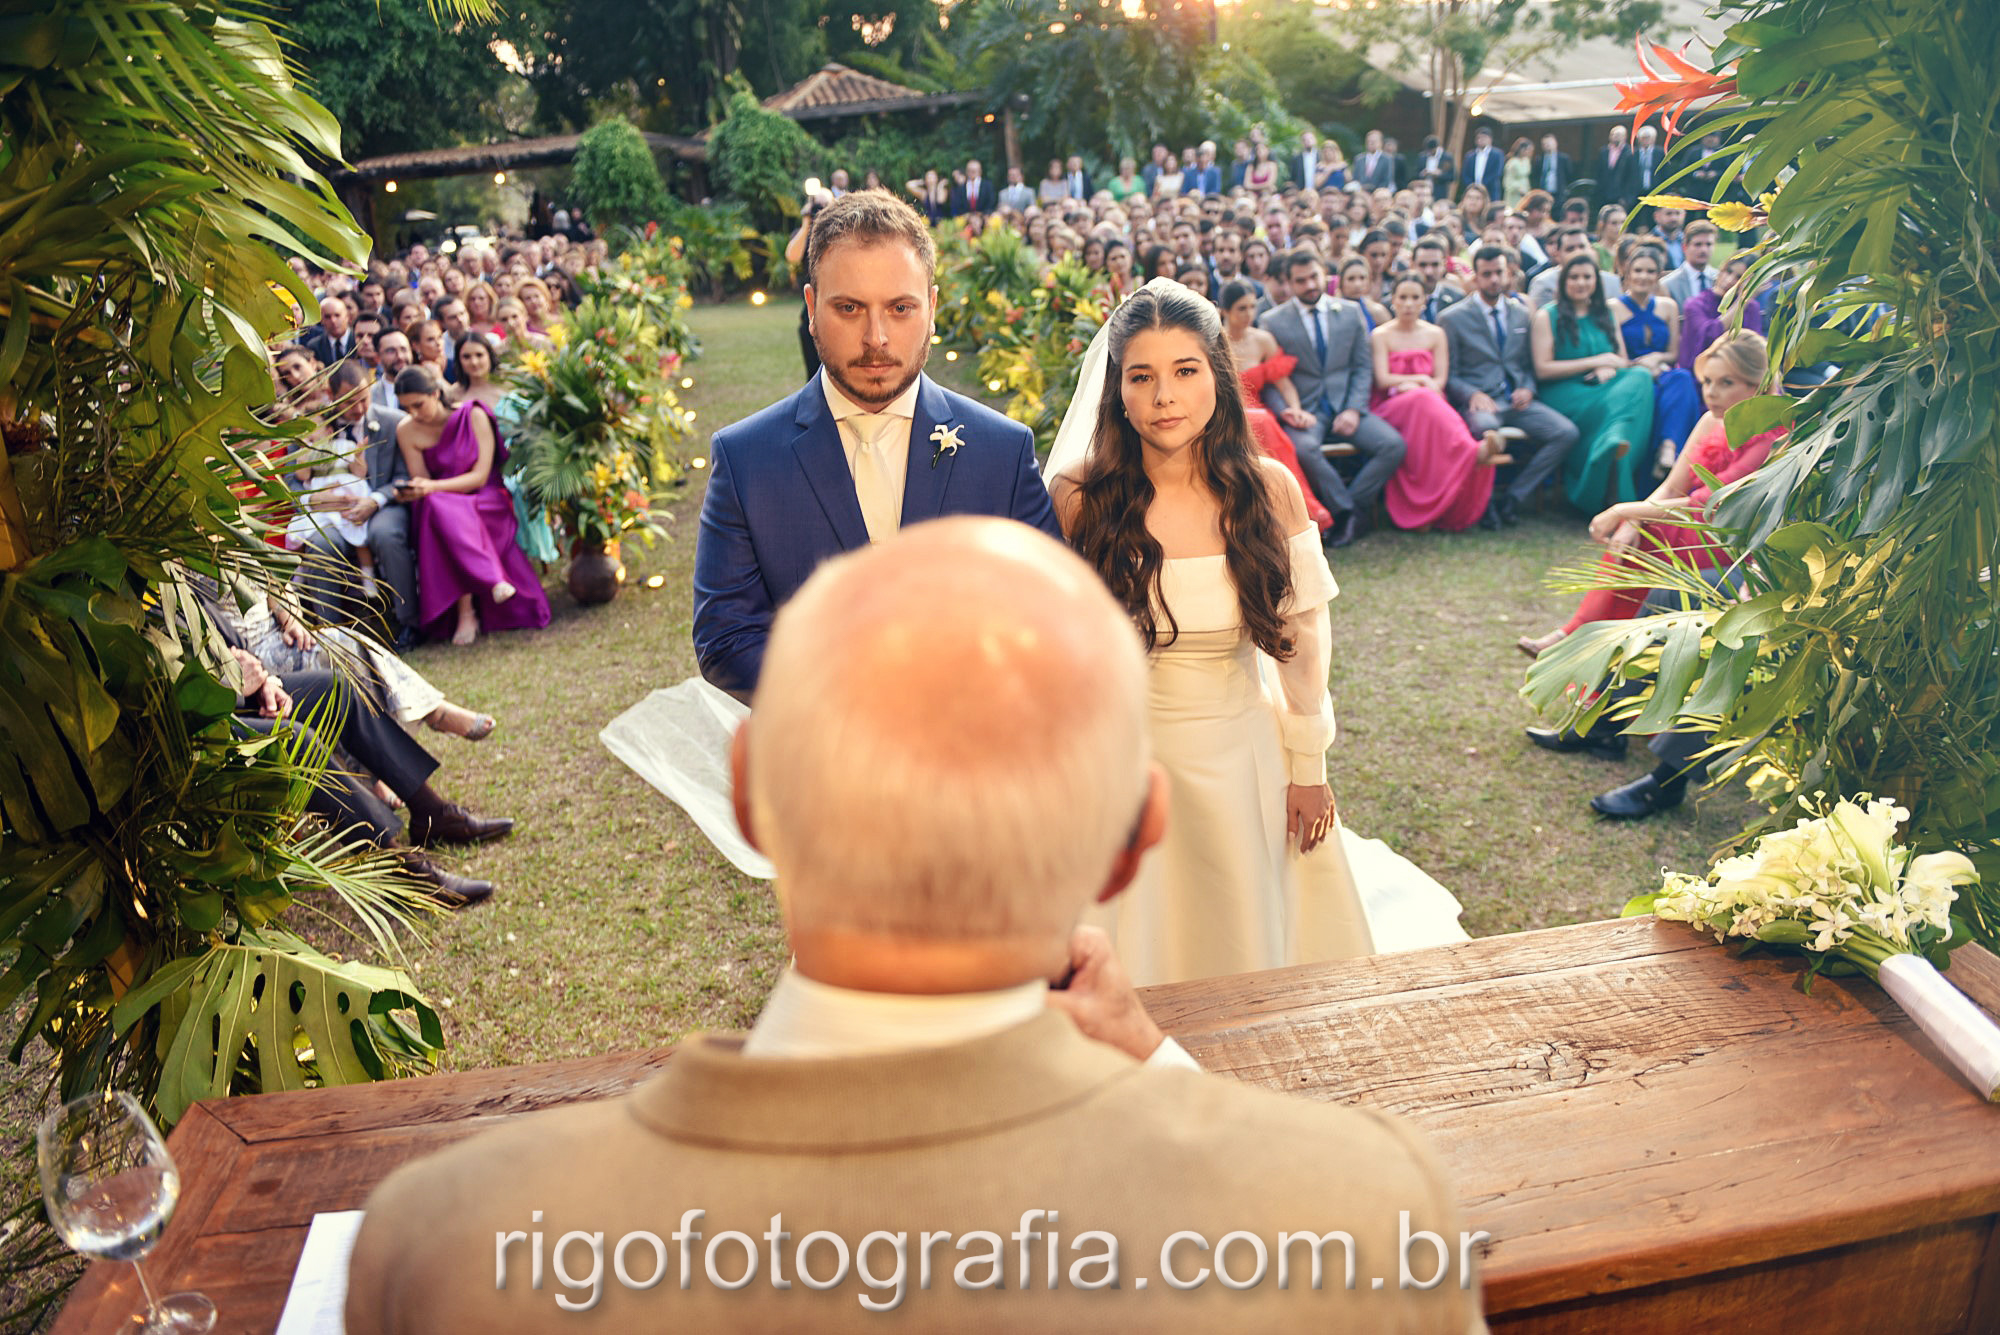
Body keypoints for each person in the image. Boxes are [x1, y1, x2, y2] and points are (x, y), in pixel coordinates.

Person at [348, 517, 1483, 1332]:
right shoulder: (1355, 1218)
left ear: (750, 794)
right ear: (1137, 829)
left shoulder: (457, 1246)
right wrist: (1163, 1071)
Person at [1048, 282, 1375, 982]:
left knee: (1245, 938)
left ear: (1218, 377)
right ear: (1117, 390)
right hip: (1123, 762)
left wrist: (1309, 768)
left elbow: (1302, 641)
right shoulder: (1079, 496)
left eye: (1185, 371)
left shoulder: (1269, 490)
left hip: (1243, 755)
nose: (1165, 396)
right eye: (1142, 377)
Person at [693, 192, 1061, 698]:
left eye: (900, 308)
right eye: (849, 308)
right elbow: (726, 639)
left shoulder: (1003, 451)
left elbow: (1049, 613)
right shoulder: (746, 459)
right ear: (811, 307)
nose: (876, 338)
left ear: (932, 307)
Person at [1517, 330, 1779, 657]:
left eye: (1727, 383)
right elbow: (1672, 486)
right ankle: (1579, 636)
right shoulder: (1710, 420)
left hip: (1732, 542)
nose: (1711, 392)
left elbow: (1711, 503)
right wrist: (1634, 520)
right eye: (1708, 381)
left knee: (1648, 534)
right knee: (1636, 534)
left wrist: (1625, 511)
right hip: (1695, 526)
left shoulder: (1773, 436)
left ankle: (1584, 642)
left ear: (1759, 385)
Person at [1255, 251, 1407, 547]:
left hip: (1346, 406)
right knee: (1304, 450)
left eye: (1314, 277)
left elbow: (1362, 367)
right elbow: (1271, 378)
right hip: (1304, 410)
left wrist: (1353, 409)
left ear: (1324, 274)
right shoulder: (1272, 321)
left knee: (1393, 445)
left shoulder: (1349, 312)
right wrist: (1287, 411)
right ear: (1290, 283)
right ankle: (1346, 512)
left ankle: (1352, 508)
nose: (1310, 285)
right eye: (1301, 281)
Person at [393, 366, 552, 646]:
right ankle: (488, 582)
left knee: (440, 505)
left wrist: (431, 488)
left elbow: (480, 476)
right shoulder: (406, 430)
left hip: (485, 495)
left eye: (418, 404)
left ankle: (469, 608)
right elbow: (423, 481)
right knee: (437, 507)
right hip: (440, 503)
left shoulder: (473, 415)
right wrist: (416, 490)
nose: (414, 413)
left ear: (435, 393)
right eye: (407, 408)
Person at [1439, 245, 1578, 527]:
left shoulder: (1522, 313)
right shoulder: (1452, 318)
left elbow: (1527, 363)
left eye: (1498, 272)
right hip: (1481, 402)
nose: (1493, 279)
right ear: (1475, 277)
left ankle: (1514, 497)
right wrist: (1472, 394)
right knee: (1485, 432)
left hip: (1518, 401)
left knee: (1566, 433)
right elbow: (1449, 374)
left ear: (1508, 274)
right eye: (1486, 274)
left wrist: (1527, 387)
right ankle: (1486, 503)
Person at [297, 362, 422, 646]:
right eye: (349, 402)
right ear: (330, 395)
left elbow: (404, 476)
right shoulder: (313, 422)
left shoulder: (393, 421)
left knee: (386, 534)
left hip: (382, 505)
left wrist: (374, 501)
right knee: (320, 542)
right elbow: (292, 476)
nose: (359, 408)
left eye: (364, 399)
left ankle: (409, 623)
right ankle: (331, 636)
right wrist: (312, 498)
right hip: (329, 512)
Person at [1370, 277, 1507, 532]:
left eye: (1415, 298)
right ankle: (1472, 451)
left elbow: (1441, 379)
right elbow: (1382, 379)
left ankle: (1434, 509)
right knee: (1422, 398)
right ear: (1393, 301)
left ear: (1424, 301)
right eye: (1402, 297)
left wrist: (1423, 385)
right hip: (1391, 405)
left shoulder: (1435, 333)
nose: (1408, 304)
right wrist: (1419, 381)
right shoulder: (1380, 335)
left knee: (1426, 411)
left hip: (1429, 404)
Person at [1532, 254, 1655, 512]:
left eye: (1587, 277)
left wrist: (1607, 366)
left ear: (1596, 282)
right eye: (1574, 277)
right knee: (1617, 412)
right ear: (1563, 281)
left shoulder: (1606, 313)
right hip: (1564, 392)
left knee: (1641, 377)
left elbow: (1621, 360)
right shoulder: (1547, 316)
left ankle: (1612, 448)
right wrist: (1594, 362)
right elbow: (1543, 369)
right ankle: (1610, 479)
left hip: (1604, 386)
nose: (1581, 283)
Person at [1218, 280, 1333, 535]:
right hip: (1224, 415)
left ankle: (1301, 512)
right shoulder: (1212, 341)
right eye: (1241, 308)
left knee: (1267, 427)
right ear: (1224, 311)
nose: (1249, 314)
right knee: (1262, 422)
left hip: (1260, 415)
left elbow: (1284, 384)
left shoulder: (1263, 340)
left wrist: (1296, 408)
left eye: (1252, 307)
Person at [1614, 247, 1703, 469]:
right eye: (1638, 270)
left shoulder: (1668, 306)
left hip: (1662, 370)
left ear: (1658, 275)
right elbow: (1620, 358)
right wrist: (1645, 366)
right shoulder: (1613, 308)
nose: (1643, 277)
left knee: (1682, 378)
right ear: (1627, 273)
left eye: (1650, 271)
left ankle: (1669, 448)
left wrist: (1656, 358)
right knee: (1659, 393)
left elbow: (1673, 354)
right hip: (1631, 376)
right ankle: (1656, 458)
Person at [1677, 252, 1765, 371]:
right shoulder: (1695, 304)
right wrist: (1741, 302)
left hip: (1738, 371)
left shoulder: (1751, 307)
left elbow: (1754, 348)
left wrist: (1743, 301)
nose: (1729, 280)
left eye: (1739, 278)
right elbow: (1710, 336)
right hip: (1698, 373)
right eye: (1728, 272)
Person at [1662, 220, 1719, 304]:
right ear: (1684, 247)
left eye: (1708, 244)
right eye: (1698, 244)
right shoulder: (1668, 285)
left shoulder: (1721, 280)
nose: (1704, 250)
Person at [1463, 126, 1505, 202]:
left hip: (1491, 189)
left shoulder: (1497, 154)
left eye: (1484, 137)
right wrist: (1472, 186)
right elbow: (1465, 173)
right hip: (1473, 190)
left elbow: (1497, 172)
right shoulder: (1470, 155)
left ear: (1490, 139)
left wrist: (1482, 185)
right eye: (1479, 138)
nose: (1481, 140)